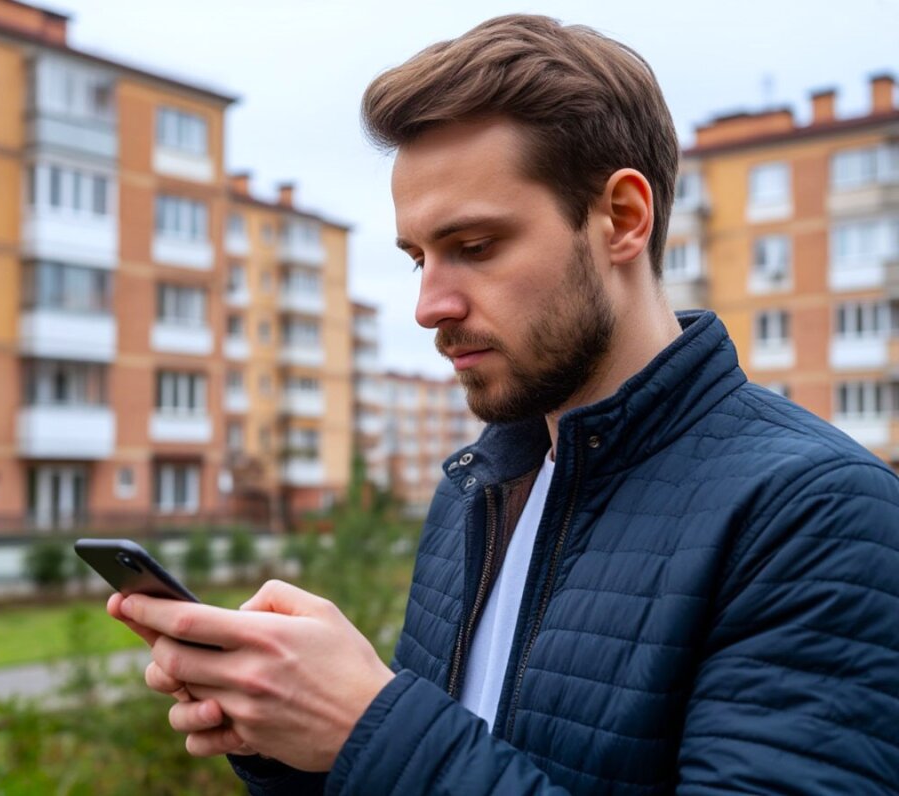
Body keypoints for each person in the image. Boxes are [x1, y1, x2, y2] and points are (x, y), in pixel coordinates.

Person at [108, 14, 899, 794]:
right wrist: (300, 746)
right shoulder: (475, 489)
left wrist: (371, 730)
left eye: (475, 247)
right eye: (418, 258)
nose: (428, 305)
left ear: (622, 218)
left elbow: (419, 759)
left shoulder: (816, 512)